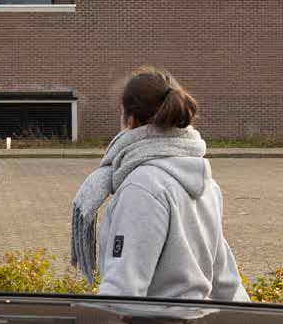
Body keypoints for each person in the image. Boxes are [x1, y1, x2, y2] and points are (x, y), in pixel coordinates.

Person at [70, 67, 249, 307]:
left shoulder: (142, 188)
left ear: (130, 120)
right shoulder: (206, 183)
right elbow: (227, 283)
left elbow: (122, 291)